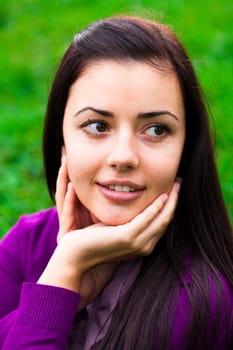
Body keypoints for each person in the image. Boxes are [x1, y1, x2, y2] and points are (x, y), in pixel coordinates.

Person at [0, 15, 233, 350]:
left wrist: (68, 265)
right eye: (97, 126)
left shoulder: (200, 302)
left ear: (186, 148)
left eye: (156, 129)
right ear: (61, 138)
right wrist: (66, 285)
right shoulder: (29, 242)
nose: (123, 156)